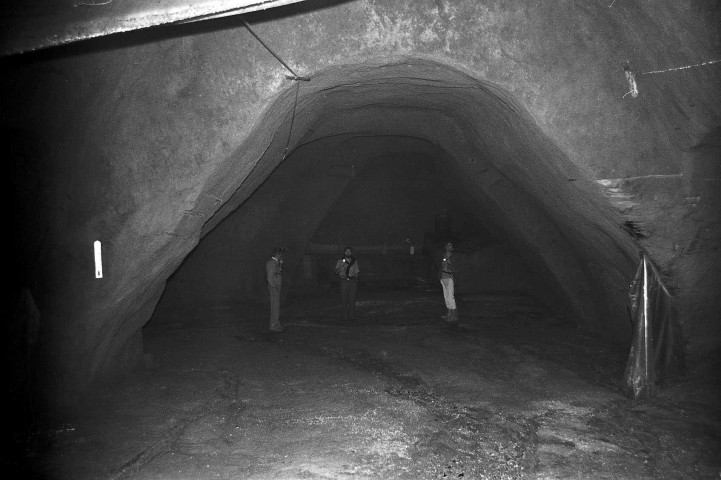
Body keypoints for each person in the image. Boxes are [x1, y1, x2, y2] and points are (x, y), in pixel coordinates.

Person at [335, 245, 360, 321]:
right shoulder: (340, 261)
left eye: (349, 251)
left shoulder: (354, 261)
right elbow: (336, 272)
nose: (348, 252)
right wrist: (342, 265)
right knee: (344, 299)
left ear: (351, 252)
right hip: (344, 281)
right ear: (344, 252)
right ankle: (344, 316)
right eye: (346, 251)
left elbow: (357, 271)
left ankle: (352, 316)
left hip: (353, 282)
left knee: (352, 299)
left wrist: (355, 278)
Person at [266, 247, 285, 332]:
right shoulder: (271, 263)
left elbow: (278, 272)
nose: (282, 256)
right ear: (277, 254)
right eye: (281, 254)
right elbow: (270, 277)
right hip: (274, 287)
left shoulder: (275, 263)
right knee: (275, 306)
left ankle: (276, 323)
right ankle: (273, 326)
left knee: (276, 306)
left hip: (276, 286)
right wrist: (273, 287)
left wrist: (280, 264)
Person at [439, 241, 458, 322]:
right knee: (446, 297)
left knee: (450, 297)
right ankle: (449, 314)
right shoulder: (443, 256)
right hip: (443, 278)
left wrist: (450, 265)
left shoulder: (453, 257)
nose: (449, 247)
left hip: (449, 278)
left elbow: (454, 267)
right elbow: (442, 266)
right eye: (448, 245)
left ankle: (454, 315)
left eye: (451, 245)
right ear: (445, 247)